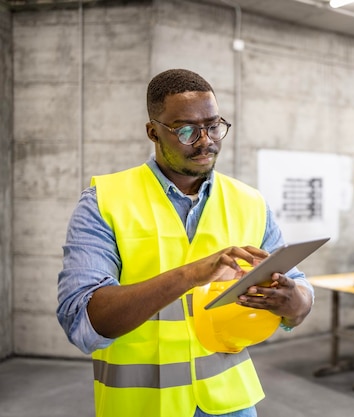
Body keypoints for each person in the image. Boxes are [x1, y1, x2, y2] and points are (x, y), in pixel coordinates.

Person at [57, 69, 314, 417]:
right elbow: (83, 323)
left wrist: (291, 300)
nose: (206, 140)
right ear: (153, 132)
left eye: (213, 125)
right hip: (142, 407)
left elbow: (300, 299)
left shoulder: (250, 202)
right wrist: (190, 275)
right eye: (187, 130)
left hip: (232, 404)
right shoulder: (104, 201)